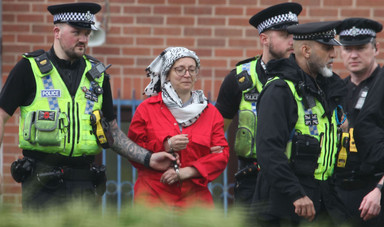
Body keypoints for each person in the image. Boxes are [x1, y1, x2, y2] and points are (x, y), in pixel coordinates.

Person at [0, 2, 177, 211]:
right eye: (76, 32)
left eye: (87, 33)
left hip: (84, 183)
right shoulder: (29, 69)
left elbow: (112, 132)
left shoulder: (98, 75)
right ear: (56, 31)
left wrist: (148, 158)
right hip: (41, 183)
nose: (83, 39)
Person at [251, 21, 349, 227]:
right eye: (327, 48)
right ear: (305, 50)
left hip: (322, 199)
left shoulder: (327, 88)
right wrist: (296, 194)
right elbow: (268, 150)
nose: (333, 54)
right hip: (287, 204)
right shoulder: (280, 89)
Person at [215, 2, 302, 207]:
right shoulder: (239, 78)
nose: (292, 40)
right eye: (285, 34)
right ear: (264, 39)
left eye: (295, 34)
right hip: (250, 179)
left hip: (295, 179)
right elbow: (216, 132)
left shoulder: (306, 77)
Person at [127, 47, 229, 208]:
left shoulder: (211, 112)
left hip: (195, 201)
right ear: (167, 74)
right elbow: (132, 151)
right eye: (180, 69)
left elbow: (221, 156)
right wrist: (166, 145)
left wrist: (186, 172)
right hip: (152, 199)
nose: (187, 74)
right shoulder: (146, 109)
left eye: (192, 69)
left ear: (197, 74)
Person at [334, 17, 384, 227]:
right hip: (340, 195)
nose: (353, 54)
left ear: (376, 48)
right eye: (347, 48)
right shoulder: (337, 91)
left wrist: (380, 191)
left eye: (361, 47)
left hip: (375, 194)